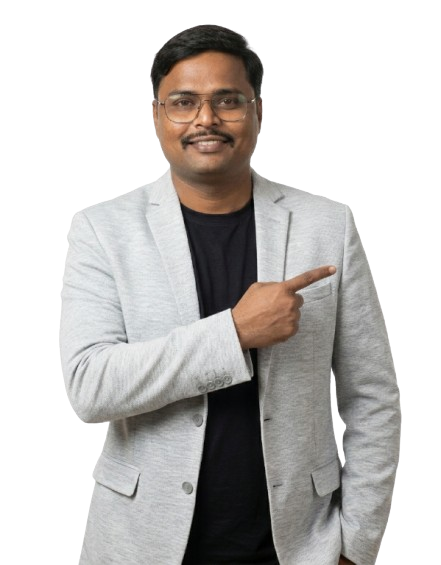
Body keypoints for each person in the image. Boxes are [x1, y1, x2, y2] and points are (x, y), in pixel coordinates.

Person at [59, 24, 401, 565]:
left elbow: (373, 397)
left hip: (298, 545)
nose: (206, 119)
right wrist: (234, 333)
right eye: (183, 102)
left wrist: (356, 546)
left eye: (228, 100)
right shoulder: (103, 230)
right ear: (156, 115)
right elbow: (90, 388)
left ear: (258, 111)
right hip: (142, 543)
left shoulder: (326, 225)